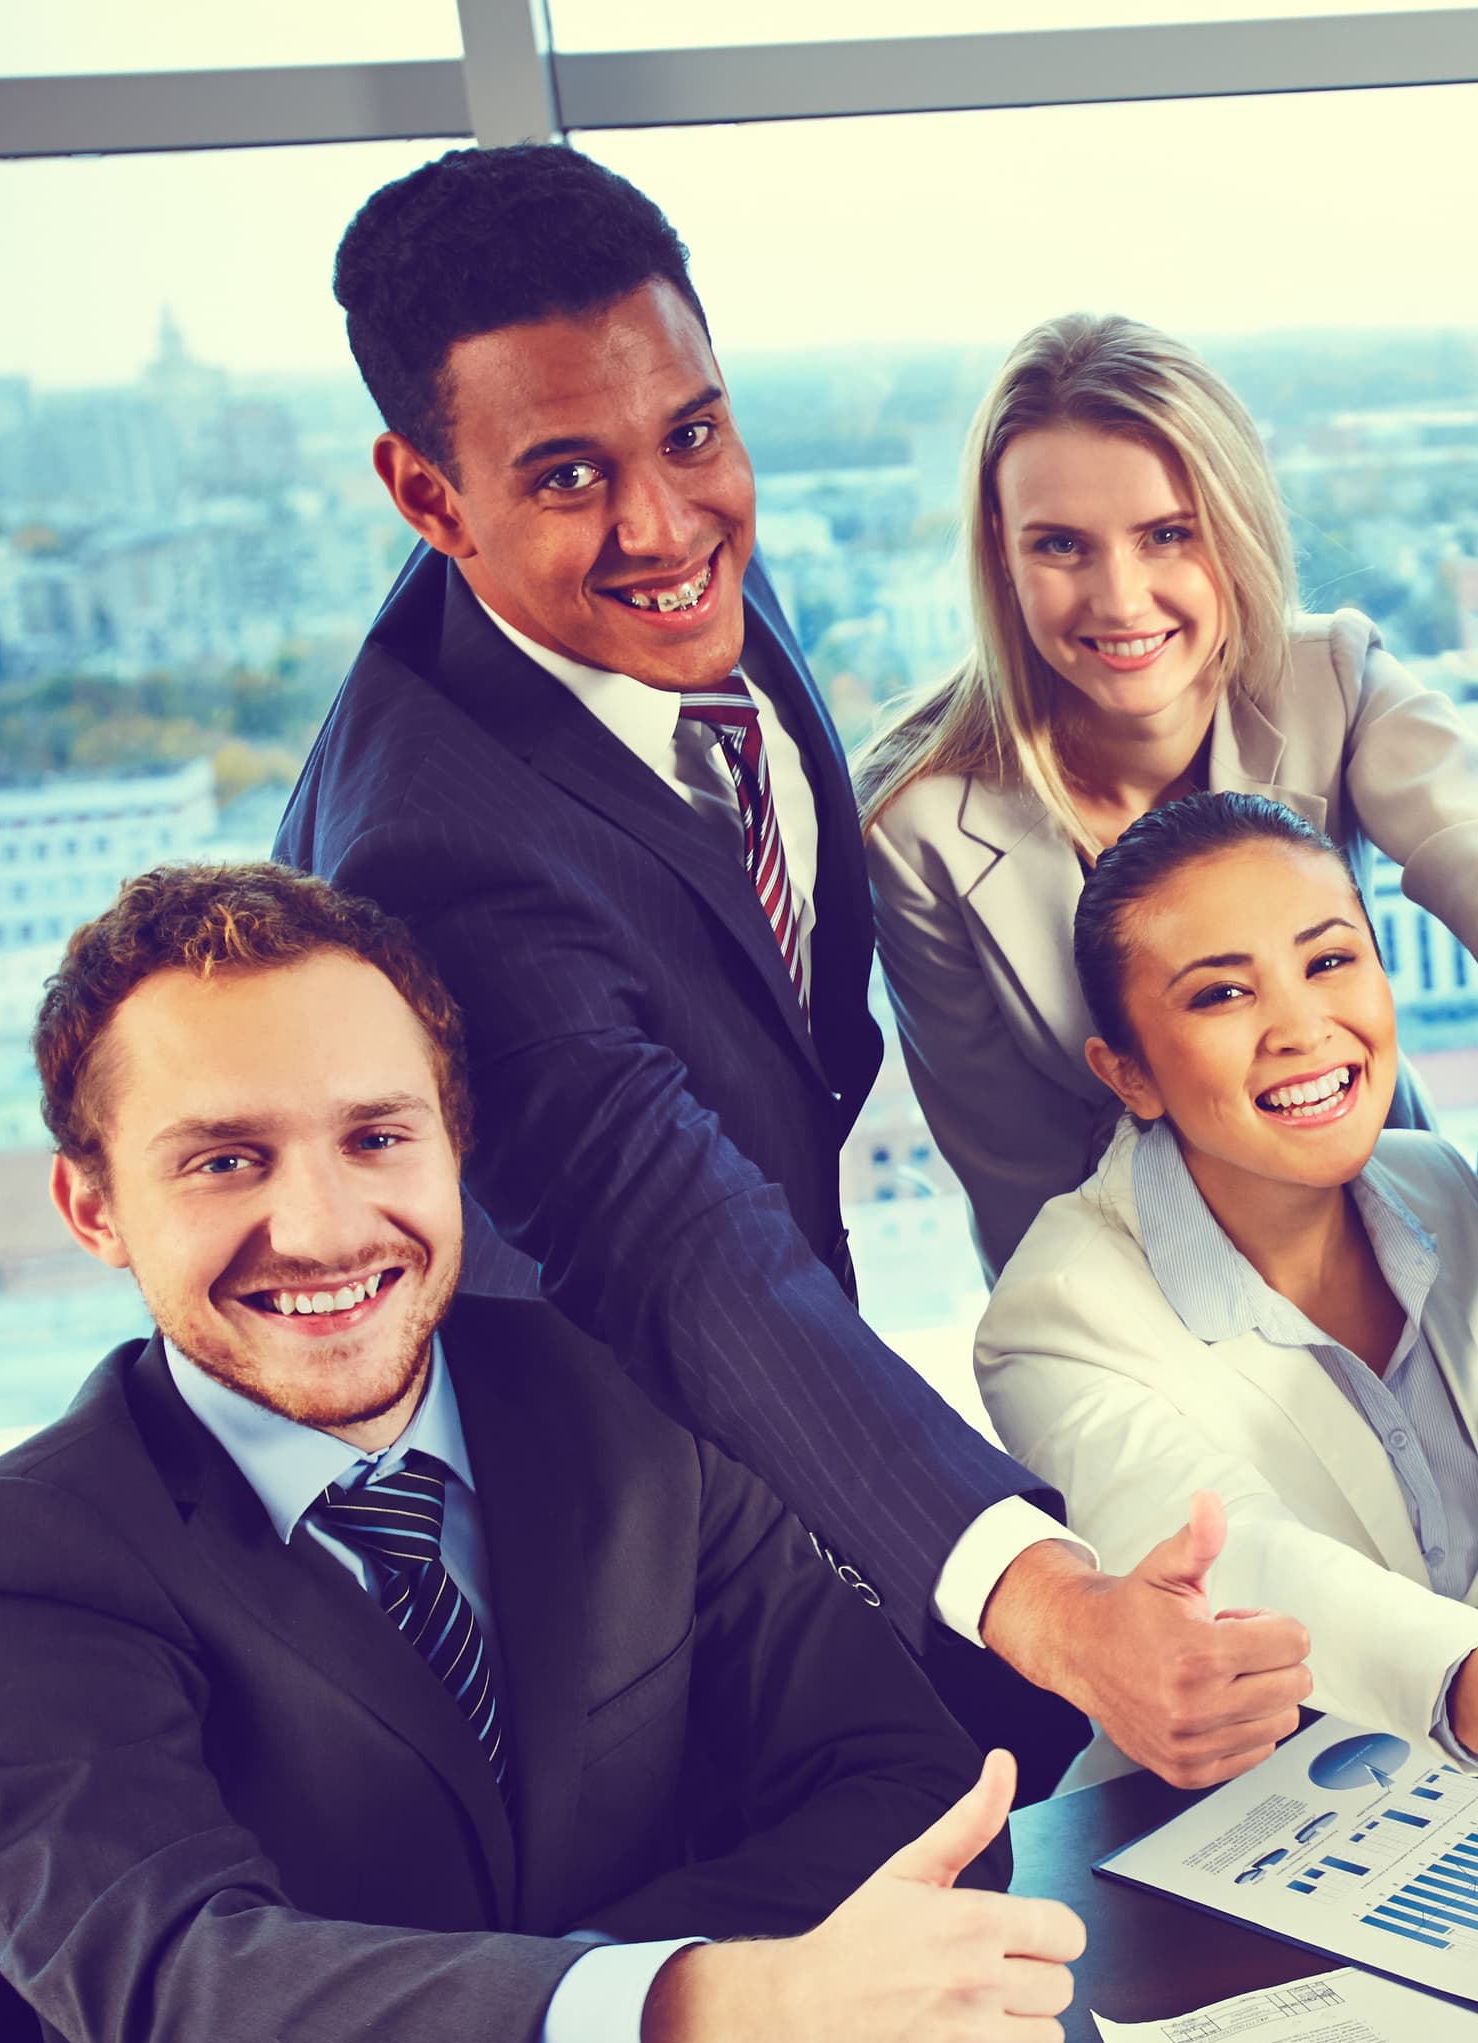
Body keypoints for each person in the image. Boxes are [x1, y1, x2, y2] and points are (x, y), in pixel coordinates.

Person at [0, 867, 1085, 2043]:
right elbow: (184, 1993)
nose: (321, 1226)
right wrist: (717, 2012)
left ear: (452, 1144)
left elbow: (909, 1801)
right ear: (93, 1205)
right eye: (224, 1159)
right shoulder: (16, 1562)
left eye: (377, 1137)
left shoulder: (621, 1396)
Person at [280, 144, 1296, 1799]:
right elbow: (679, 1247)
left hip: (804, 1450)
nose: (665, 525)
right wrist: (1049, 1605)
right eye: (568, 477)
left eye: (691, 433)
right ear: (429, 498)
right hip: (622, 1575)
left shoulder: (665, 587)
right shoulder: (439, 858)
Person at [859, 313, 1478, 1280]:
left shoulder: (1328, 676)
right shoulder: (918, 823)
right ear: (999, 552)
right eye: (1060, 546)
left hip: (1389, 1233)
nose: (1120, 599)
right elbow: (1016, 1174)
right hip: (1133, 1294)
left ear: (1234, 528)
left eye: (1167, 535)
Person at [971, 794, 1478, 1836]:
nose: (1301, 1028)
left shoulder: (1440, 1188)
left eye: (1330, 961)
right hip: (1212, 1838)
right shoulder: (1054, 1314)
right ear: (1130, 1074)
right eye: (1222, 994)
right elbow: (1249, 1568)